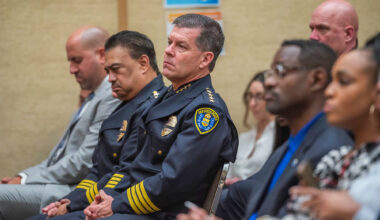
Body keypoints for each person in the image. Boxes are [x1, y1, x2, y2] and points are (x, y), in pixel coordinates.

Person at [77, 13, 238, 220]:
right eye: (169, 42)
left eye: (181, 46)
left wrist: (116, 204)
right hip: (130, 204)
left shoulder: (206, 112)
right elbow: (129, 166)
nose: (168, 51)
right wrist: (106, 198)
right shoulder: (160, 99)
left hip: (162, 213)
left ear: (205, 59)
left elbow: (174, 181)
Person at [27, 30, 167, 220]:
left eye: (116, 69)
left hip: (127, 206)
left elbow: (127, 172)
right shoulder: (127, 106)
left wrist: (78, 205)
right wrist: (69, 201)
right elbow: (99, 169)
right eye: (108, 71)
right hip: (108, 199)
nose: (110, 78)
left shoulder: (156, 108)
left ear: (143, 64)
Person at [215, 40, 354, 220]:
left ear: (317, 79)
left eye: (280, 72)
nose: (269, 82)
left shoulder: (333, 150)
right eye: (271, 72)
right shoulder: (289, 145)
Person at [0, 26, 120, 219]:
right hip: (55, 184)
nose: (71, 69)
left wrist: (24, 181)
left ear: (101, 54)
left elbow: (83, 161)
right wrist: (22, 177)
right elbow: (56, 157)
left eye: (77, 60)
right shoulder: (93, 96)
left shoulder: (111, 96)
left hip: (70, 190)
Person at [286, 33, 380, 220]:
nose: (328, 92)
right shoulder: (336, 157)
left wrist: (357, 214)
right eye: (331, 82)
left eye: (343, 82)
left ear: (377, 95)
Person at [226, 71, 276, 185]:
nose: (252, 103)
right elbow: (228, 174)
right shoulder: (243, 139)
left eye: (259, 96)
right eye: (250, 96)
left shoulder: (279, 138)